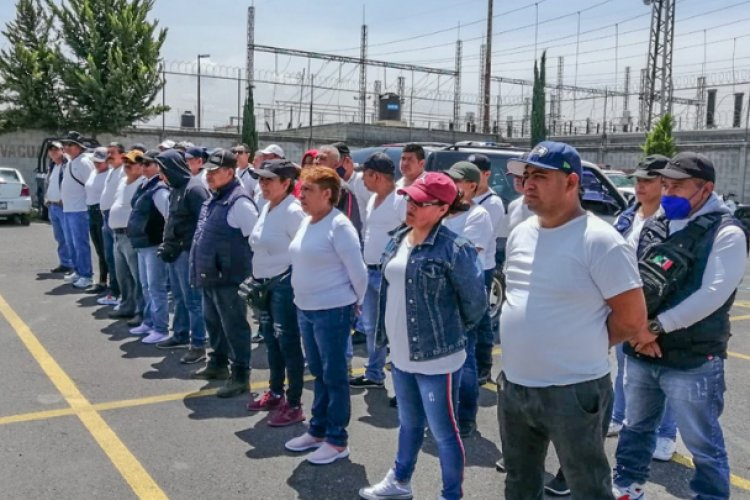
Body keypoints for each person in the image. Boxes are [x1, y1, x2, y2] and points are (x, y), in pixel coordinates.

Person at [498, 141, 647, 499]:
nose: (528, 184)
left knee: (588, 485)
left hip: (574, 390)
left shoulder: (601, 241)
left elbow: (632, 319)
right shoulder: (521, 232)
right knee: (520, 482)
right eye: (526, 176)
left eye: (540, 176)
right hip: (516, 387)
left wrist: (580, 341)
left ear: (571, 182)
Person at [613, 153, 748, 500]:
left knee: (702, 442)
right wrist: (637, 330)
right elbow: (632, 275)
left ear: (706, 189)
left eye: (678, 186)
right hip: (642, 352)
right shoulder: (656, 221)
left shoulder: (726, 232)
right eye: (666, 185)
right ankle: (628, 484)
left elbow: (713, 294)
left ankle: (712, 495)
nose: (669, 192)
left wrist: (652, 328)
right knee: (636, 427)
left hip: (691, 359)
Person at [358, 172, 487, 500]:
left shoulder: (454, 249)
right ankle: (400, 481)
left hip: (437, 358)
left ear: (442, 209)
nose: (411, 206)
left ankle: (451, 495)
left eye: (420, 201)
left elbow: (475, 305)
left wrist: (447, 337)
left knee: (444, 433)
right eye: (409, 199)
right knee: (409, 424)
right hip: (400, 354)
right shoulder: (399, 236)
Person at [284, 166, 367, 465]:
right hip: (306, 309)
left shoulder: (339, 226)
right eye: (301, 189)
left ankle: (337, 440)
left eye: (307, 190)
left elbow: (359, 273)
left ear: (327, 194)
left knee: (334, 376)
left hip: (332, 311)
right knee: (319, 373)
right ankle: (317, 430)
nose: (301, 195)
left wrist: (353, 304)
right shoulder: (309, 221)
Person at [609, 155, 679, 464]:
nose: (639, 186)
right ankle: (620, 415)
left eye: (647, 181)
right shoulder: (627, 216)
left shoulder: (674, 222)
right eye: (637, 180)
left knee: (664, 376)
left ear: (666, 184)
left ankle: (666, 435)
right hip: (627, 306)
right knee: (625, 367)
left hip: (659, 313)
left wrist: (655, 322)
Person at [189, 149, 258, 398]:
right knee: (214, 323)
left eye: (215, 172)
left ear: (229, 172)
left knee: (234, 326)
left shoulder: (239, 202)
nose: (209, 176)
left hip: (230, 278)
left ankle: (240, 375)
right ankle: (217, 363)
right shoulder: (215, 197)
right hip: (211, 276)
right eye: (208, 172)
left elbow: (255, 241)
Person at [243, 160, 307, 427]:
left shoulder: (293, 211)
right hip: (265, 285)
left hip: (284, 286)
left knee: (288, 344)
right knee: (271, 341)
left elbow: (303, 251)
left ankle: (294, 403)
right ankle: (276, 391)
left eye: (269, 180)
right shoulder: (267, 207)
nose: (263, 184)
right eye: (260, 179)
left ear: (286, 183)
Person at [442, 161, 494, 439]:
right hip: (441, 296)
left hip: (466, 294)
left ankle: (465, 419)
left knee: (466, 358)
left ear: (472, 186)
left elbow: (466, 256)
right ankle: (446, 415)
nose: (453, 185)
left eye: (458, 181)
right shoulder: (445, 212)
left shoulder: (478, 214)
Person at [349, 153, 405, 390]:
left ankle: (399, 382)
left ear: (377, 176)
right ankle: (374, 372)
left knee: (392, 327)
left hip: (388, 275)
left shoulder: (400, 200)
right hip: (369, 271)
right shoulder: (373, 200)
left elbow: (409, 235)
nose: (362, 179)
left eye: (366, 174)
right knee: (372, 326)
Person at [154, 149, 210, 364]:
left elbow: (203, 225)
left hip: (188, 253)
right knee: (179, 298)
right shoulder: (176, 188)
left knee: (193, 301)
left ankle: (198, 344)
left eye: (163, 170)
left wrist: (191, 250)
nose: (161, 176)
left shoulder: (194, 189)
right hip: (175, 253)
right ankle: (180, 334)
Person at [467, 154, 506, 386]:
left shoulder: (492, 203)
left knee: (481, 320)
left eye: (475, 172)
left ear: (486, 175)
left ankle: (484, 366)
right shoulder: (466, 200)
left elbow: (479, 240)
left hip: (483, 268)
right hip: (469, 266)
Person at [126, 150, 170, 345]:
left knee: (156, 287)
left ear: (158, 167)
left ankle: (160, 328)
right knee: (145, 285)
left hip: (153, 243)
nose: (143, 167)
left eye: (148, 164)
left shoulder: (159, 189)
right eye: (142, 164)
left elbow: (169, 217)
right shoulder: (145, 185)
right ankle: (149, 321)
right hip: (142, 243)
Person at [108, 150, 146, 326]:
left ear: (141, 165)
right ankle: (126, 305)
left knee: (137, 276)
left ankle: (141, 311)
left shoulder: (143, 183)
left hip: (131, 236)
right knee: (122, 274)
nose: (127, 166)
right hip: (117, 234)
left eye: (131, 163)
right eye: (125, 163)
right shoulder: (123, 181)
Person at [60, 131, 94, 289]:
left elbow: (91, 185)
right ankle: (78, 270)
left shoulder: (83, 162)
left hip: (80, 209)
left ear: (78, 147)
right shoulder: (72, 161)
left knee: (80, 243)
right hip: (68, 209)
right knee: (71, 243)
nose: (66, 147)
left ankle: (86, 275)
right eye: (65, 144)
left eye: (70, 144)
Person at [97, 142, 126, 307]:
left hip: (114, 220)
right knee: (110, 257)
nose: (108, 156)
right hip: (106, 217)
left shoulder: (123, 171)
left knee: (118, 260)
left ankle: (118, 293)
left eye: (112, 153)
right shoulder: (112, 171)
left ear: (122, 155)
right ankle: (114, 291)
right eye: (107, 152)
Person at [315, 145, 362, 236]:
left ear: (335, 164)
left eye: (322, 158)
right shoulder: (311, 187)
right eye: (316, 158)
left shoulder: (343, 189)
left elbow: (349, 224)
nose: (317, 162)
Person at [84, 147, 111, 295]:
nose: (97, 165)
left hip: (101, 212)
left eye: (100, 162)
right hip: (91, 211)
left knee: (106, 250)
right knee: (99, 250)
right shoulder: (93, 173)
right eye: (95, 162)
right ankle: (101, 280)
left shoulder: (110, 175)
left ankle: (107, 281)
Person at [44, 141, 73, 275]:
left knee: (68, 237)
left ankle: (73, 265)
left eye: (56, 149)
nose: (53, 152)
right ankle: (64, 263)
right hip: (52, 205)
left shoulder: (67, 165)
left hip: (63, 206)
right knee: (60, 237)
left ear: (62, 150)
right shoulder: (52, 166)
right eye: (51, 150)